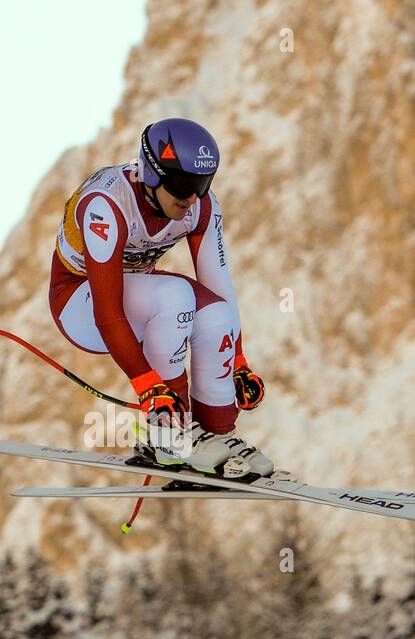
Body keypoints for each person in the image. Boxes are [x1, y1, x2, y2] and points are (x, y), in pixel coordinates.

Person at [47, 117, 273, 476]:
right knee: (175, 296)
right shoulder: (106, 204)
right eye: (182, 184)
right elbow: (107, 311)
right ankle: (165, 434)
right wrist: (149, 387)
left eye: (202, 183)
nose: (190, 197)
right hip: (80, 302)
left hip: (138, 301)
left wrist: (239, 360)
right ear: (151, 175)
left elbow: (219, 286)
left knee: (215, 312)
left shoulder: (201, 205)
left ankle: (216, 438)